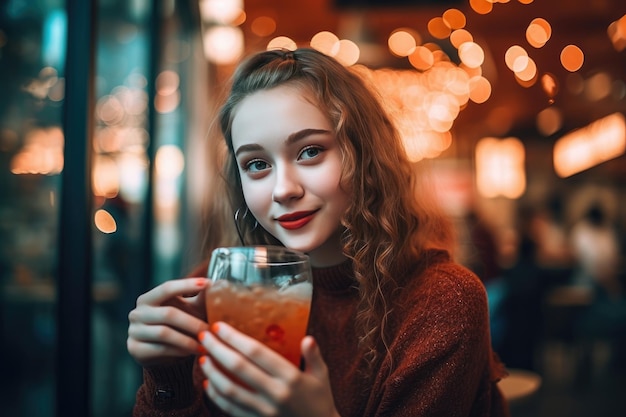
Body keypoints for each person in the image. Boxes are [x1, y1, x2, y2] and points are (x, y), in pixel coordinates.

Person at [127, 47, 509, 417]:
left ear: (364, 156)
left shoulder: (440, 302)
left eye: (310, 151)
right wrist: (167, 378)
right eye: (257, 164)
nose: (283, 189)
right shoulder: (216, 287)